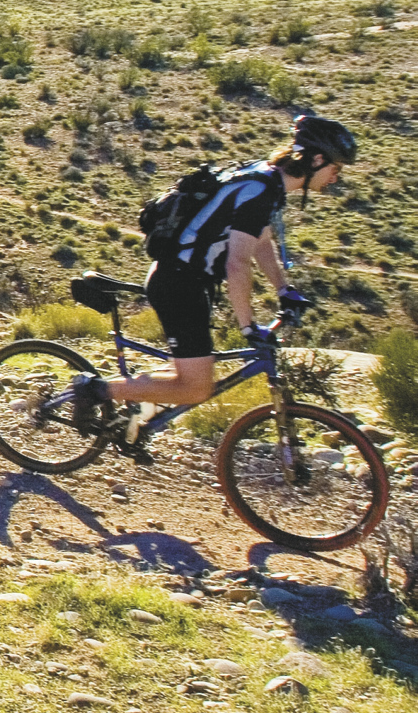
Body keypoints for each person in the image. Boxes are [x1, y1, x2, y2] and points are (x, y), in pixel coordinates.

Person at [72, 115, 358, 457]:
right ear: (316, 160)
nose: (336, 178)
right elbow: (238, 264)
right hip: (179, 284)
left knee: (194, 371)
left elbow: (261, 242)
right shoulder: (261, 191)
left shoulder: (266, 180)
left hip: (191, 282)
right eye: (335, 168)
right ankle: (94, 390)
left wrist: (285, 289)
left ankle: (136, 419)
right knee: (196, 388)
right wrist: (248, 326)